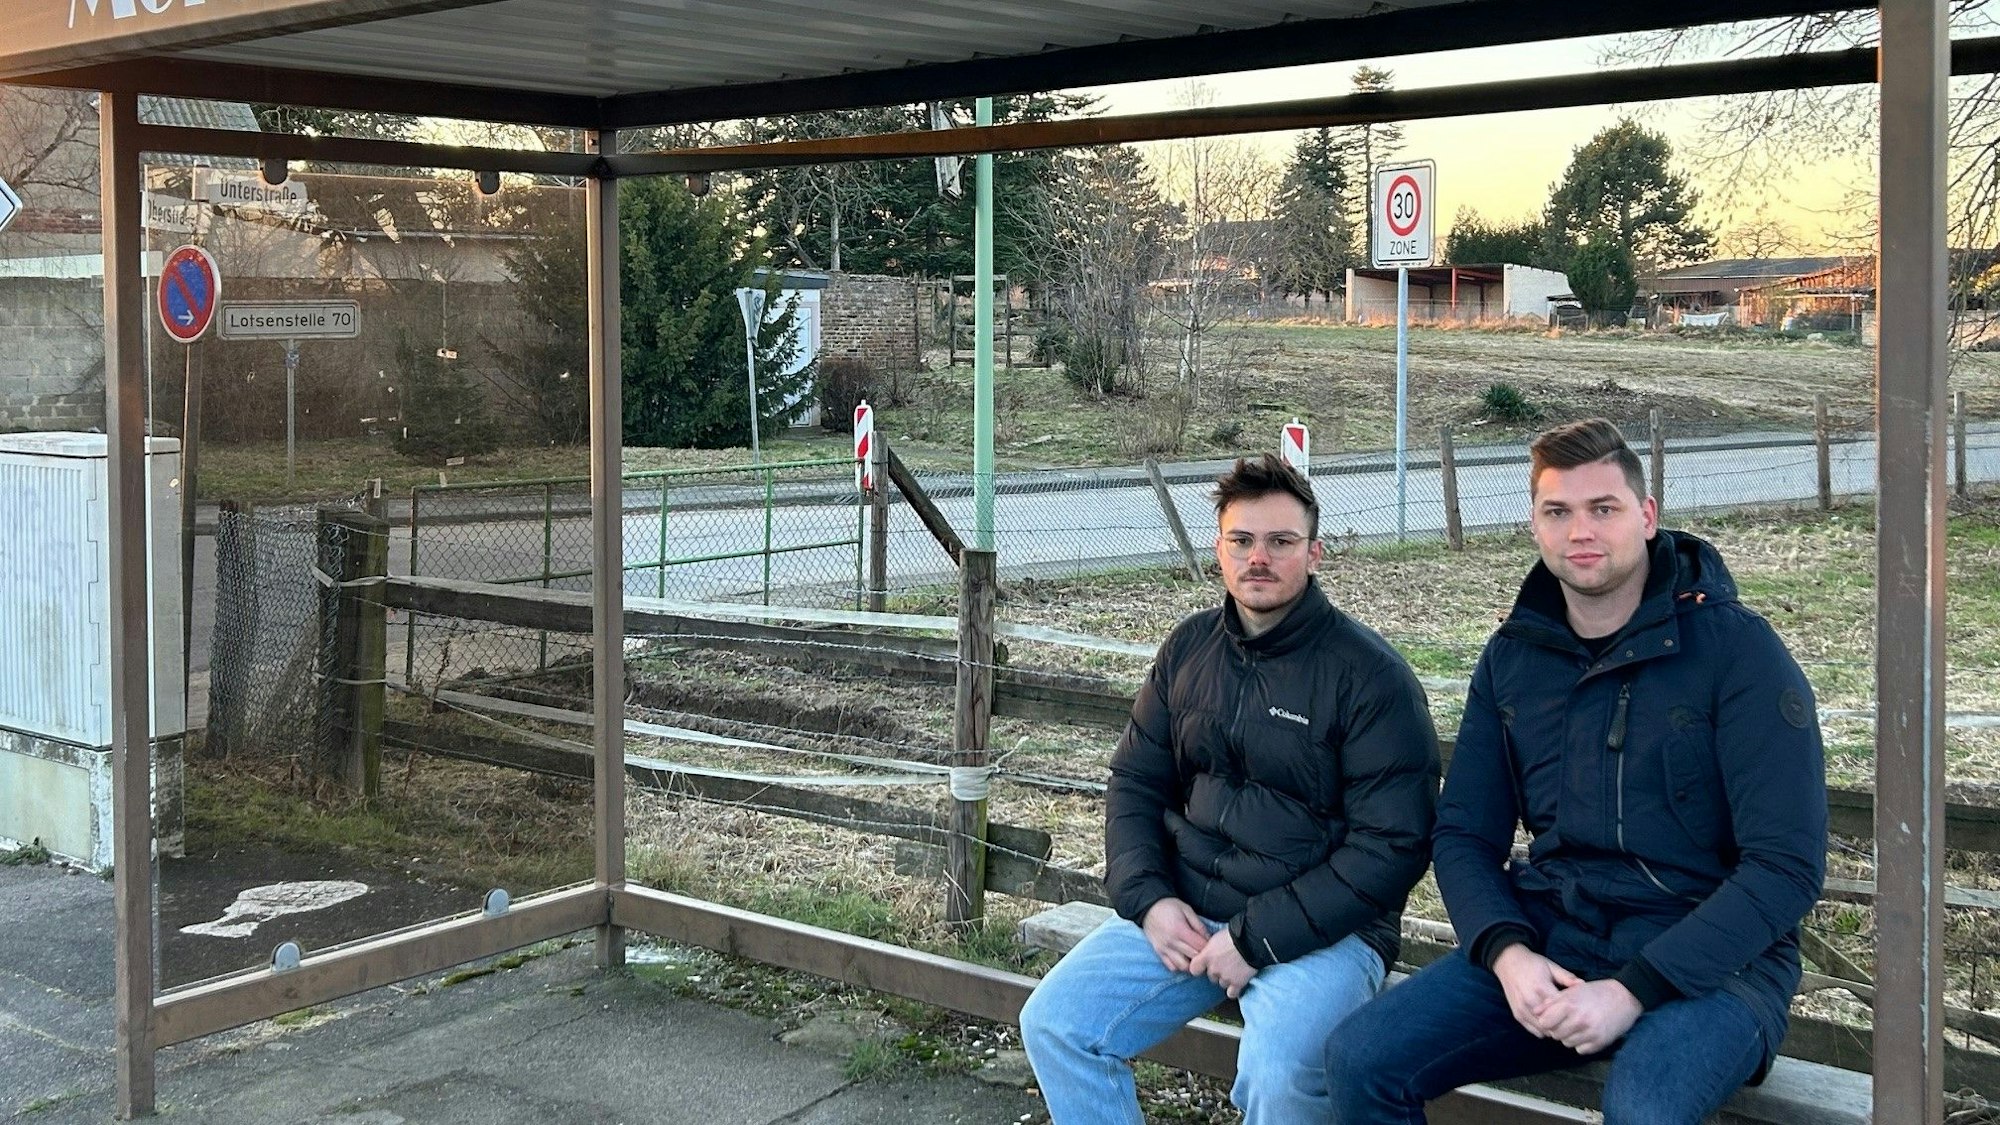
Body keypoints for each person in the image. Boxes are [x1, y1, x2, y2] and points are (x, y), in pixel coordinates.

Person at [1327, 418, 1827, 1125]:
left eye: (1604, 508)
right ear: (1534, 523)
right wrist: (1507, 953)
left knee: (1643, 1107)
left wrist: (1634, 988)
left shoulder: (1737, 652)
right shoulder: (1514, 657)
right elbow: (1465, 832)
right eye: (1558, 511)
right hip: (1558, 933)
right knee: (1361, 1057)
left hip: (1716, 962)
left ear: (1647, 517)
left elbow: (1786, 866)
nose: (1580, 530)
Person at [1020, 453, 1440, 1125]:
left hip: (1325, 933)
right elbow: (1133, 781)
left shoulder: (1370, 678)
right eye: (1241, 540)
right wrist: (1150, 899)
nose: (1259, 558)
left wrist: (1256, 939)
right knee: (1058, 1024)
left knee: (1278, 1078)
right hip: (1188, 906)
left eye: (1281, 541)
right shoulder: (1189, 649)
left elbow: (1392, 846)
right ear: (1219, 547)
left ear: (1315, 551)